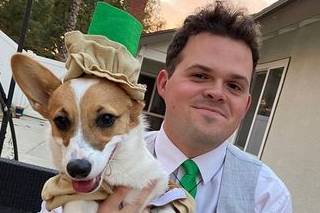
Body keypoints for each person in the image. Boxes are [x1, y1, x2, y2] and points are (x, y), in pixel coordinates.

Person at [98, 2, 292, 213]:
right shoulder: (102, 159)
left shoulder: (266, 197)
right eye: (200, 76)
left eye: (234, 86)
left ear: (245, 106)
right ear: (164, 84)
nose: (217, 93)